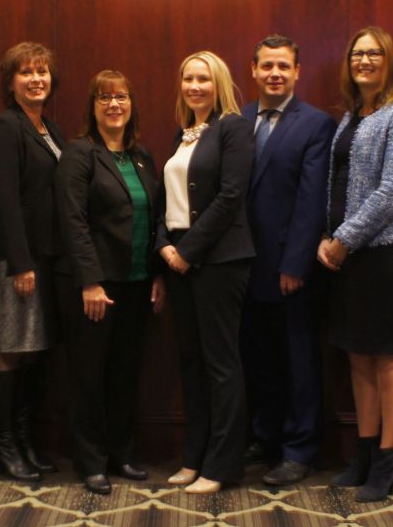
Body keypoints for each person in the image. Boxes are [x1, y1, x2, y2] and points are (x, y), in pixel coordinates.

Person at [320, 26, 393, 502]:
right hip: (348, 251)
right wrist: (331, 235)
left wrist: (343, 239)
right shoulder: (353, 115)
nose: (364, 60)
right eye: (357, 53)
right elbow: (341, 181)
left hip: (386, 250)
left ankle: (388, 459)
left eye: (373, 53)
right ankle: (364, 453)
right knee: (358, 353)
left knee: (390, 353)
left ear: (390, 60)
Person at [54, 70, 166, 495]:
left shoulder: (142, 156)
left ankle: (121, 453)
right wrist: (89, 282)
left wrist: (157, 274)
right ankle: (91, 461)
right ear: (93, 107)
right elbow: (73, 222)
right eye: (105, 98)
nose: (114, 104)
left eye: (121, 97)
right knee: (89, 375)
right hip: (95, 288)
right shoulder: (80, 154)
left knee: (124, 373)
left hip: (136, 284)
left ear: (131, 104)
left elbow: (156, 218)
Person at [239, 34, 336, 486]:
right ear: (253, 71)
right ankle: (266, 435)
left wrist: (295, 265)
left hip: (289, 268)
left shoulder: (316, 124)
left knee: (298, 361)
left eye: (283, 66)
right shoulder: (237, 120)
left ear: (297, 72)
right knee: (257, 358)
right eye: (266, 66)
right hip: (242, 267)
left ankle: (299, 448)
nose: (274, 73)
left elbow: (311, 201)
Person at [157, 51, 255, 495]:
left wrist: (188, 251)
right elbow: (169, 200)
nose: (195, 86)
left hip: (218, 261)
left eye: (204, 79)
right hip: (179, 261)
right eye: (188, 78)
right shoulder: (184, 133)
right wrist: (164, 245)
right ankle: (194, 458)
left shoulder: (232, 127)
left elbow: (232, 196)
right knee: (191, 363)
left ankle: (222, 464)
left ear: (219, 82)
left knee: (221, 365)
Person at [0, 42, 65, 482]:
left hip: (47, 259)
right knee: (10, 349)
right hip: (17, 261)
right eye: (26, 73)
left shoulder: (49, 127)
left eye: (43, 72)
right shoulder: (3, 126)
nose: (36, 79)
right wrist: (20, 262)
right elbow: (5, 201)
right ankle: (5, 445)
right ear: (10, 81)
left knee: (33, 352)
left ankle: (25, 439)